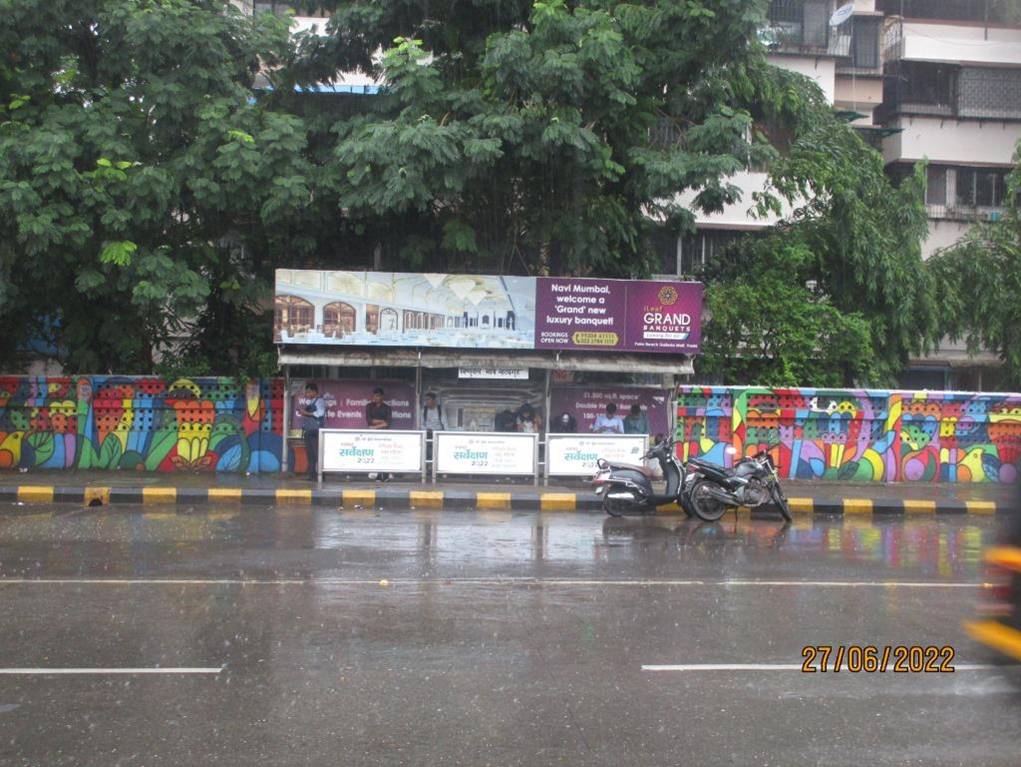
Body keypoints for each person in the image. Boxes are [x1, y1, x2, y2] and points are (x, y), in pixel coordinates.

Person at [299, 383, 326, 481]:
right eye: (306, 392)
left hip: (316, 431)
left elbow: (319, 414)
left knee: (316, 453)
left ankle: (320, 475)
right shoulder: (311, 403)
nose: (307, 394)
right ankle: (312, 475)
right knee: (310, 454)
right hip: (309, 431)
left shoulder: (320, 401)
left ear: (315, 392)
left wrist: (305, 412)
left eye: (309, 391)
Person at [366, 387, 392, 481]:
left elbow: (388, 423)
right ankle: (374, 474)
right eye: (374, 396)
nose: (375, 398)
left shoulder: (387, 407)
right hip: (372, 436)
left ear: (382, 396)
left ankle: (384, 475)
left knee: (383, 455)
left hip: (383, 436)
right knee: (373, 454)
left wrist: (374, 427)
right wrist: (382, 421)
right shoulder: (369, 406)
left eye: (378, 396)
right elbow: (369, 420)